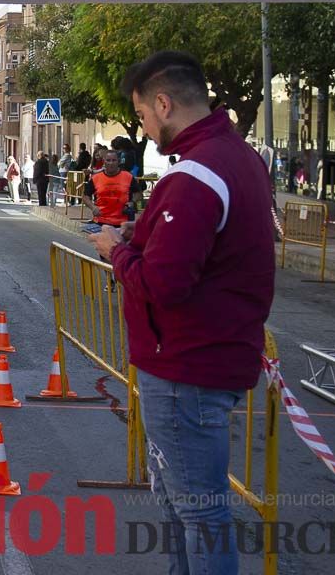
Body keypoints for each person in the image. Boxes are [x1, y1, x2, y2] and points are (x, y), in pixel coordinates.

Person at [89, 51, 274, 575]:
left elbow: (164, 283)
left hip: (184, 368)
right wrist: (140, 235)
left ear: (165, 103)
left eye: (144, 116)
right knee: (188, 509)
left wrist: (115, 250)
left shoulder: (195, 175)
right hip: (208, 358)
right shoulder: (238, 157)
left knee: (197, 511)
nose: (144, 131)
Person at [81, 149, 142, 233]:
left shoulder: (128, 177)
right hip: (101, 222)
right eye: (108, 160)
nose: (111, 163)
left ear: (118, 162)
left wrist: (132, 202)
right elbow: (85, 196)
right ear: (104, 161)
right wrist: (93, 207)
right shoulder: (95, 178)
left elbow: (138, 193)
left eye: (114, 160)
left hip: (123, 223)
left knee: (120, 245)